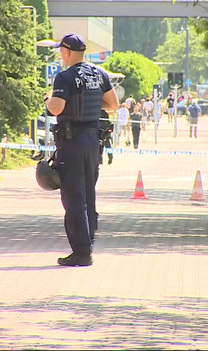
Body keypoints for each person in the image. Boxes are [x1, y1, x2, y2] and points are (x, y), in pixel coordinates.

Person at [44, 33, 119, 266]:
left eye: (60, 51)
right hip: (92, 143)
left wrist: (47, 100)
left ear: (66, 52)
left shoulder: (65, 77)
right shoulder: (100, 74)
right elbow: (113, 105)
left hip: (72, 142)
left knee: (73, 196)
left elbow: (56, 108)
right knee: (88, 194)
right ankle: (88, 242)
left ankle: (81, 252)